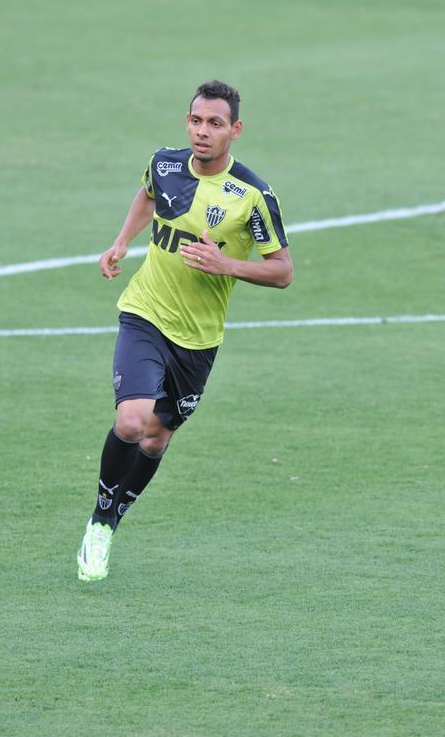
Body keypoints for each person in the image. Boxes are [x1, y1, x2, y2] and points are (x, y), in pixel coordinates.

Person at [77, 80, 293, 581]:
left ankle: (114, 517)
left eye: (215, 124)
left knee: (154, 440)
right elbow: (147, 195)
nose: (203, 131)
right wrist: (121, 241)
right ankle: (101, 520)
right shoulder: (166, 163)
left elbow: (282, 271)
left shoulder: (252, 197)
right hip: (145, 313)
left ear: (235, 130)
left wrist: (227, 266)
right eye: (196, 120)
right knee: (132, 422)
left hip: (198, 340)